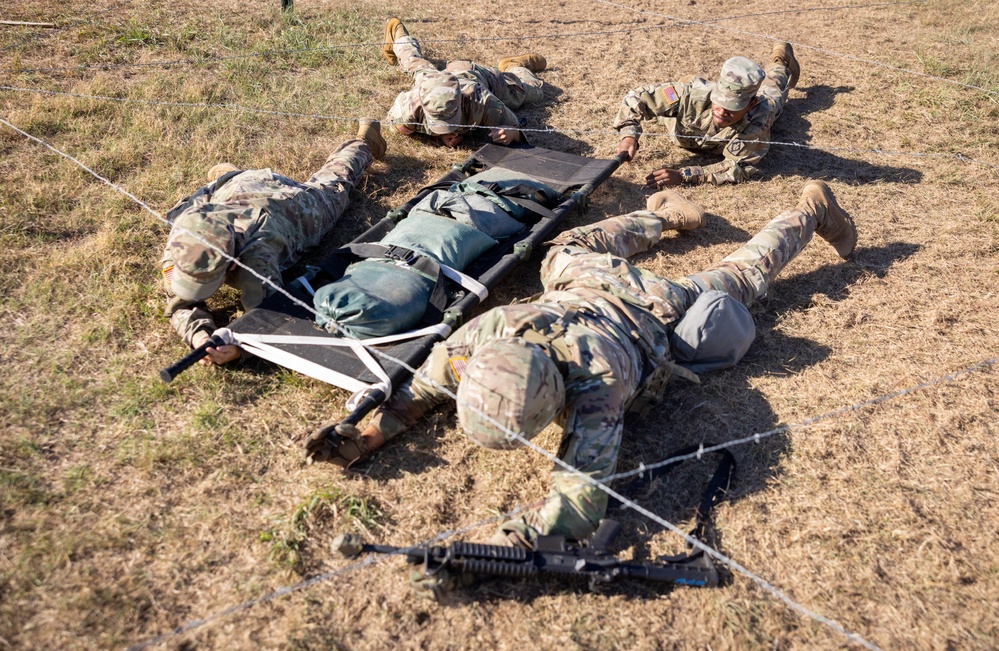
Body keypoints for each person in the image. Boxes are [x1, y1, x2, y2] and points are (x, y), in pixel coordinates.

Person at [305, 179, 857, 548]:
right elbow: (422, 390)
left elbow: (579, 506)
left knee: (744, 275)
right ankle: (656, 214)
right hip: (587, 281)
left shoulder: (599, 391)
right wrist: (366, 434)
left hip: (658, 307)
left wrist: (510, 542)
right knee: (566, 247)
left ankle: (812, 209)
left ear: (556, 405)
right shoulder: (491, 332)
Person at [161, 120, 387, 364]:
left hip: (291, 206)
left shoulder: (257, 263)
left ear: (235, 264)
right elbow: (178, 303)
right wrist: (199, 337)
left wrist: (240, 350)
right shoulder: (184, 236)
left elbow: (272, 324)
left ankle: (364, 141)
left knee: (336, 184)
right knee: (175, 212)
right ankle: (230, 176)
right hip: (240, 187)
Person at [614, 43, 801, 188]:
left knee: (773, 91)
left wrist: (685, 175)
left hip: (763, 103)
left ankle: (780, 60)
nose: (721, 112)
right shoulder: (690, 95)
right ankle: (689, 79)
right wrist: (629, 135)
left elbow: (739, 167)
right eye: (718, 102)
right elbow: (637, 97)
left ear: (749, 104)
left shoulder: (759, 118)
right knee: (683, 89)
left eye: (732, 107)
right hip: (684, 112)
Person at [382, 17, 547, 148]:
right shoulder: (407, 109)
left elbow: (512, 126)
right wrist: (442, 133)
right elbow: (396, 126)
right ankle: (397, 33)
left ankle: (513, 65)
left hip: (471, 74)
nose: (447, 126)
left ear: (461, 104)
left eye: (450, 120)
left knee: (533, 94)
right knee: (415, 63)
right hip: (433, 81)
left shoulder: (481, 100)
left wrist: (512, 133)